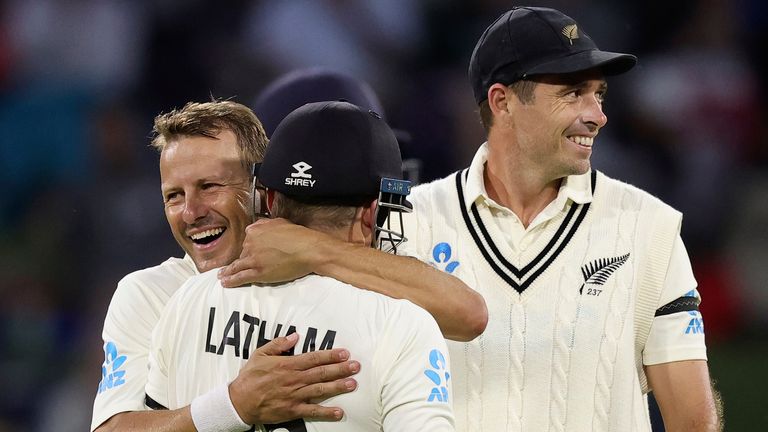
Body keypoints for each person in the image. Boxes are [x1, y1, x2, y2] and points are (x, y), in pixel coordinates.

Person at [218, 7, 721, 432]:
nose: (597, 114)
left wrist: (313, 250)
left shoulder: (649, 227)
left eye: (599, 94)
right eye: (573, 93)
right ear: (501, 101)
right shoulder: (405, 221)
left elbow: (692, 421)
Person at [92, 95, 485, 430]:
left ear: (261, 193)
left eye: (210, 187)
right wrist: (232, 404)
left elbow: (468, 313)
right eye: (173, 196)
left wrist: (312, 248)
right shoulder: (158, 294)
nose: (191, 212)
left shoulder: (192, 300)